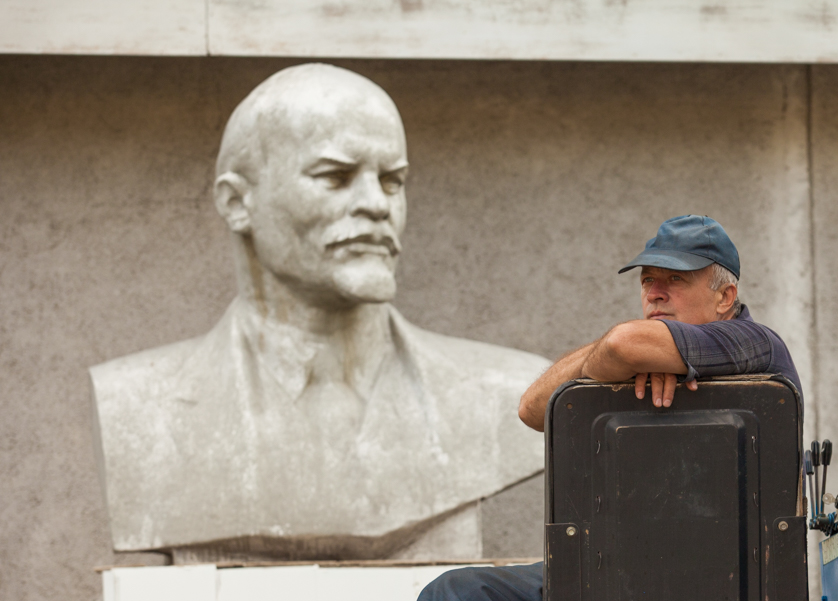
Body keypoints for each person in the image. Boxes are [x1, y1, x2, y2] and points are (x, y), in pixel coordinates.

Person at [319, 215, 801, 601]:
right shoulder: (649, 360)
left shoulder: (755, 345)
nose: (654, 293)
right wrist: (621, 358)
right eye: (648, 281)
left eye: (673, 280)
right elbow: (533, 405)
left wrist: (625, 353)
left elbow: (624, 344)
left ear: (725, 296)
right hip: (623, 590)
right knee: (460, 600)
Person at [88, 64, 548, 560]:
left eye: (392, 181)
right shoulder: (139, 408)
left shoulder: (511, 394)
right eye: (335, 176)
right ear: (237, 203)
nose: (377, 204)